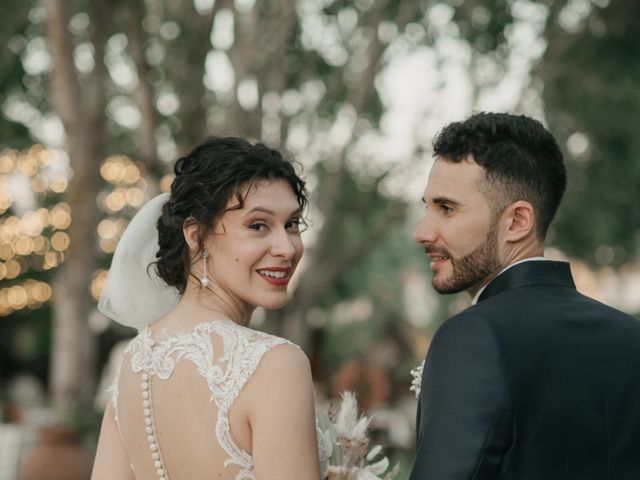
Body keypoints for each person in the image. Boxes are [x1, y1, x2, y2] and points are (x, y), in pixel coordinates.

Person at [409, 112, 640, 479]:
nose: (422, 232)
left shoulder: (473, 338)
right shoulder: (631, 337)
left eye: (447, 209)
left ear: (517, 222)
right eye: (428, 208)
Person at [91, 138, 321, 480]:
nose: (286, 248)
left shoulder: (131, 364)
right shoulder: (276, 364)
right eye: (258, 225)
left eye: (292, 224)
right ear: (196, 235)